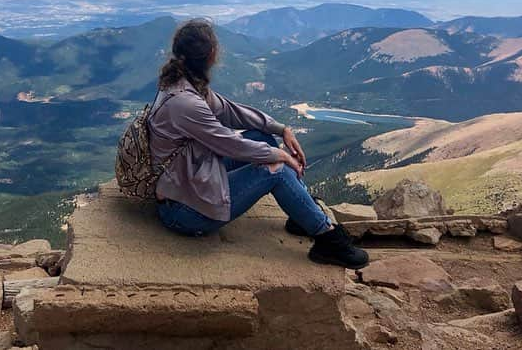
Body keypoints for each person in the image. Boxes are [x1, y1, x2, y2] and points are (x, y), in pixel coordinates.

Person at [148, 18, 369, 269]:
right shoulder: (185, 102)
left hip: (190, 178)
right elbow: (230, 145)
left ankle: (302, 215)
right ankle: (329, 240)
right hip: (184, 212)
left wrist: (281, 129)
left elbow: (231, 111)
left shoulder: (185, 85)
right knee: (275, 169)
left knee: (262, 138)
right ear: (212, 55)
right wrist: (281, 155)